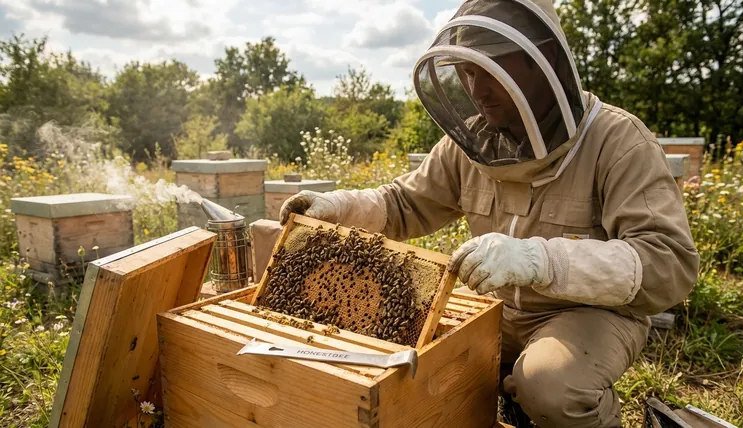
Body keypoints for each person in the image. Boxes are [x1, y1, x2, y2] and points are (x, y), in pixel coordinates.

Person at [278, 0, 699, 426]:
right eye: (469, 71)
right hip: (498, 311)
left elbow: (669, 263)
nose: (478, 90)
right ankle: (511, 393)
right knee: (415, 360)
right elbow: (405, 204)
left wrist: (540, 260)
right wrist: (338, 207)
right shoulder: (472, 143)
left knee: (551, 386)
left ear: (545, 58)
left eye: (493, 67)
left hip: (587, 315)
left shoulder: (618, 141)